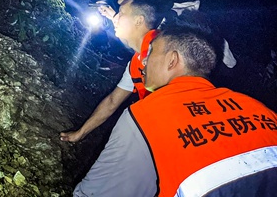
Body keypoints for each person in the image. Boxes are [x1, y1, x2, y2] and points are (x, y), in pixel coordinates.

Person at [72, 15, 277, 197]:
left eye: (151, 54)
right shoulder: (259, 108)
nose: (144, 62)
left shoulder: (146, 117)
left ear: (172, 61)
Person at [60, 0, 166, 143]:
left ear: (138, 20)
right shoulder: (136, 63)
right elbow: (112, 102)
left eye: (122, 13)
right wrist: (80, 133)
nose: (116, 18)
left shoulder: (165, 50)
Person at [97, 0, 237, 71]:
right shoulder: (153, 19)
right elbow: (134, 42)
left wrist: (115, 17)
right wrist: (114, 16)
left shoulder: (169, 22)